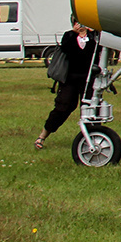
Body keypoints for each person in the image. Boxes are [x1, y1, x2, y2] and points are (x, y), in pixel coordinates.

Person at [35, 20, 99, 149]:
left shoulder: (94, 37)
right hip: (70, 79)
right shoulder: (68, 36)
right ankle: (42, 136)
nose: (80, 26)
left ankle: (94, 140)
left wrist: (90, 34)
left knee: (91, 110)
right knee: (62, 107)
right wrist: (74, 34)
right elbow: (67, 49)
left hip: (89, 80)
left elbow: (97, 53)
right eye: (77, 23)